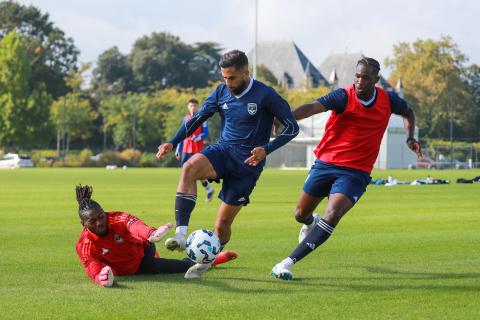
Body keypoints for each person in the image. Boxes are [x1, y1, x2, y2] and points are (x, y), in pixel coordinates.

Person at [271, 57, 423, 280]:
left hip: (356, 172)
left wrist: (410, 138)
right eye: (357, 76)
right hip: (326, 163)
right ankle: (310, 223)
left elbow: (408, 112)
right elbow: (313, 107)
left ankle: (286, 263)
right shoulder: (343, 96)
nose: (359, 82)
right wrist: (284, 117)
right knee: (300, 214)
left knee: (333, 214)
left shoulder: (388, 100)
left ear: (376, 80)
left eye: (366, 78)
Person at [156, 49, 299, 279]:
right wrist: (172, 142)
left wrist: (267, 149)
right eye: (224, 77)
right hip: (223, 150)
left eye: (232, 77)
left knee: (222, 226)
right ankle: (182, 234)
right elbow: (198, 119)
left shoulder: (266, 95)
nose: (227, 82)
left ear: (246, 72)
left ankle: (206, 261)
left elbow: (292, 127)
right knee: (189, 168)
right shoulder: (221, 91)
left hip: (248, 164)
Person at [74, 185, 236, 287]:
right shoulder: (84, 245)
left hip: (143, 254)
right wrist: (101, 276)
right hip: (122, 270)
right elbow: (91, 266)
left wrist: (151, 233)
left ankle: (212, 260)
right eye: (92, 221)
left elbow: (136, 227)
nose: (100, 223)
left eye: (101, 216)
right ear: (83, 224)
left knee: (162, 267)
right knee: (155, 267)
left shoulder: (118, 218)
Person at [175, 98, 215, 202]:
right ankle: (207, 190)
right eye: (191, 105)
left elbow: (206, 133)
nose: (193, 107)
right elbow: (181, 134)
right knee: (185, 172)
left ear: (198, 107)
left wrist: (197, 138)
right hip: (186, 149)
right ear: (188, 107)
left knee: (197, 172)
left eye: (195, 105)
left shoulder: (202, 118)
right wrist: (177, 149)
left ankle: (189, 195)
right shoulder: (185, 119)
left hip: (197, 149)